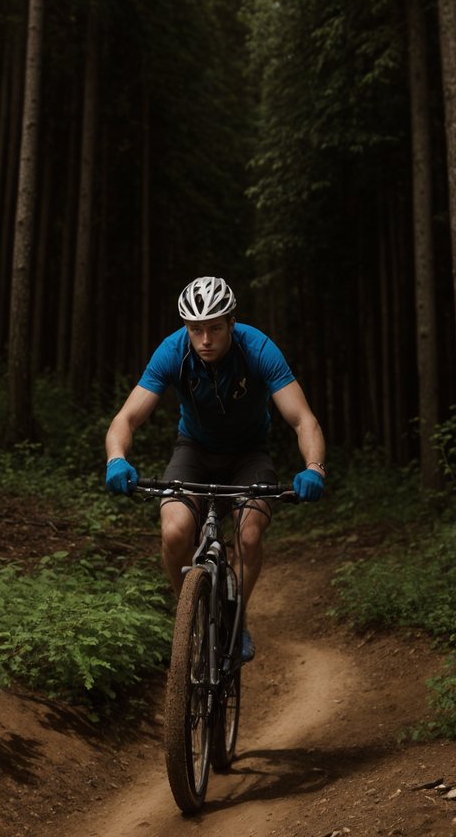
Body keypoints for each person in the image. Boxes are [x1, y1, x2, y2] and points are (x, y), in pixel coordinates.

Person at [104, 275, 326, 661]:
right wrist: (116, 458)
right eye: (195, 329)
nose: (205, 339)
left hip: (249, 454)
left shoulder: (258, 349)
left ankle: (237, 619)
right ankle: (188, 612)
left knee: (250, 536)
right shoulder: (172, 352)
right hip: (194, 450)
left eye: (214, 329)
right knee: (175, 532)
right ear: (186, 328)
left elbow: (303, 419)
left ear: (232, 323)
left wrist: (314, 467)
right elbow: (126, 419)